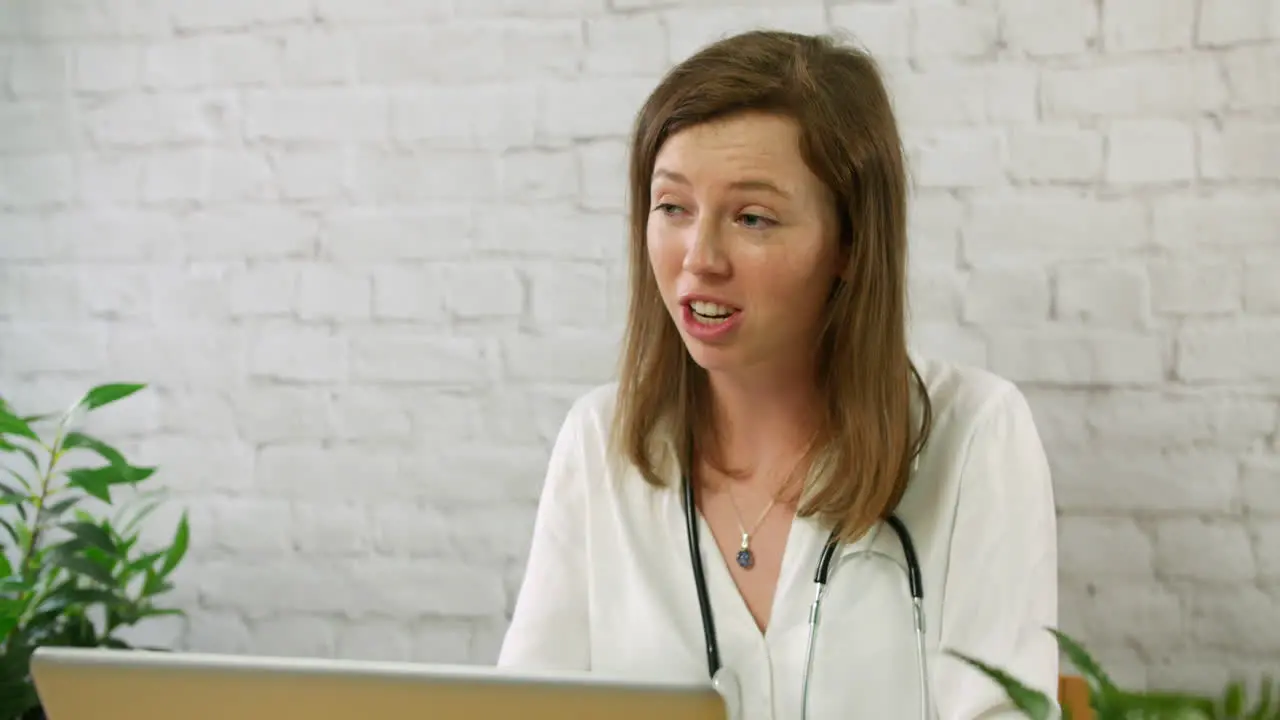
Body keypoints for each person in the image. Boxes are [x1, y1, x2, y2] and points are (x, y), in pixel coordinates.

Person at [496, 29, 1059, 720]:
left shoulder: (976, 436)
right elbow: (524, 705)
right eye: (672, 207)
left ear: (850, 243)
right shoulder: (600, 443)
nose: (699, 257)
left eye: (753, 218)